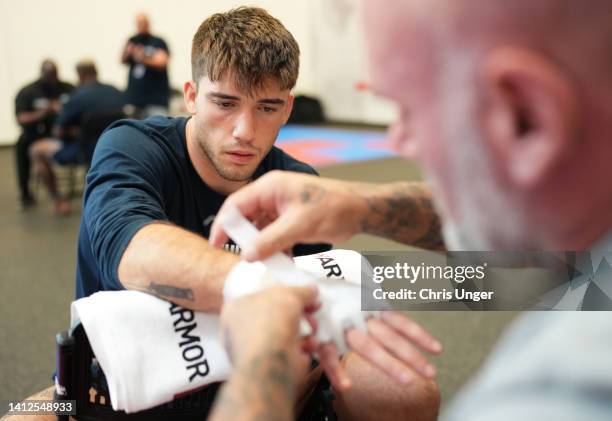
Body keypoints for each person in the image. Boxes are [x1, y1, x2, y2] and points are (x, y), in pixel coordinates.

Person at [209, 0, 612, 419]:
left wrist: (265, 359)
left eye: (408, 109)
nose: (398, 141)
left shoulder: (559, 396)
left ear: (528, 117)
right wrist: (359, 206)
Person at [76, 7, 439, 421]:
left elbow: (306, 337)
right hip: (117, 381)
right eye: (225, 103)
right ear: (192, 96)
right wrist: (253, 285)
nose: (244, 131)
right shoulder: (132, 147)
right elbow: (130, 246)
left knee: (405, 392)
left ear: (287, 109)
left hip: (256, 368)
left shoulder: (297, 183)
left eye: (266, 108)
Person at [29, 59, 125, 215]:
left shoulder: (78, 97)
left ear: (79, 76)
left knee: (36, 150)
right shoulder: (115, 91)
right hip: (117, 147)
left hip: (84, 151)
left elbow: (58, 132)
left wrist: (74, 131)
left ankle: (60, 201)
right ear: (96, 72)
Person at [14, 60, 73, 209]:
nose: (52, 79)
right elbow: (21, 118)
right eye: (49, 75)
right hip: (35, 133)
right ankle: (25, 191)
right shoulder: (28, 91)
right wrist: (45, 112)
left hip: (62, 134)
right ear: (42, 74)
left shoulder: (67, 88)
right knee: (22, 145)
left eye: (54, 75)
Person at [121, 13, 170, 118]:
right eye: (138, 23)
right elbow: (122, 60)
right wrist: (128, 51)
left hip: (155, 100)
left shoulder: (158, 41)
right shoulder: (132, 40)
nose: (140, 25)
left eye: (143, 22)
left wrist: (142, 57)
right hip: (134, 100)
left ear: (148, 23)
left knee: (159, 129)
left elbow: (162, 61)